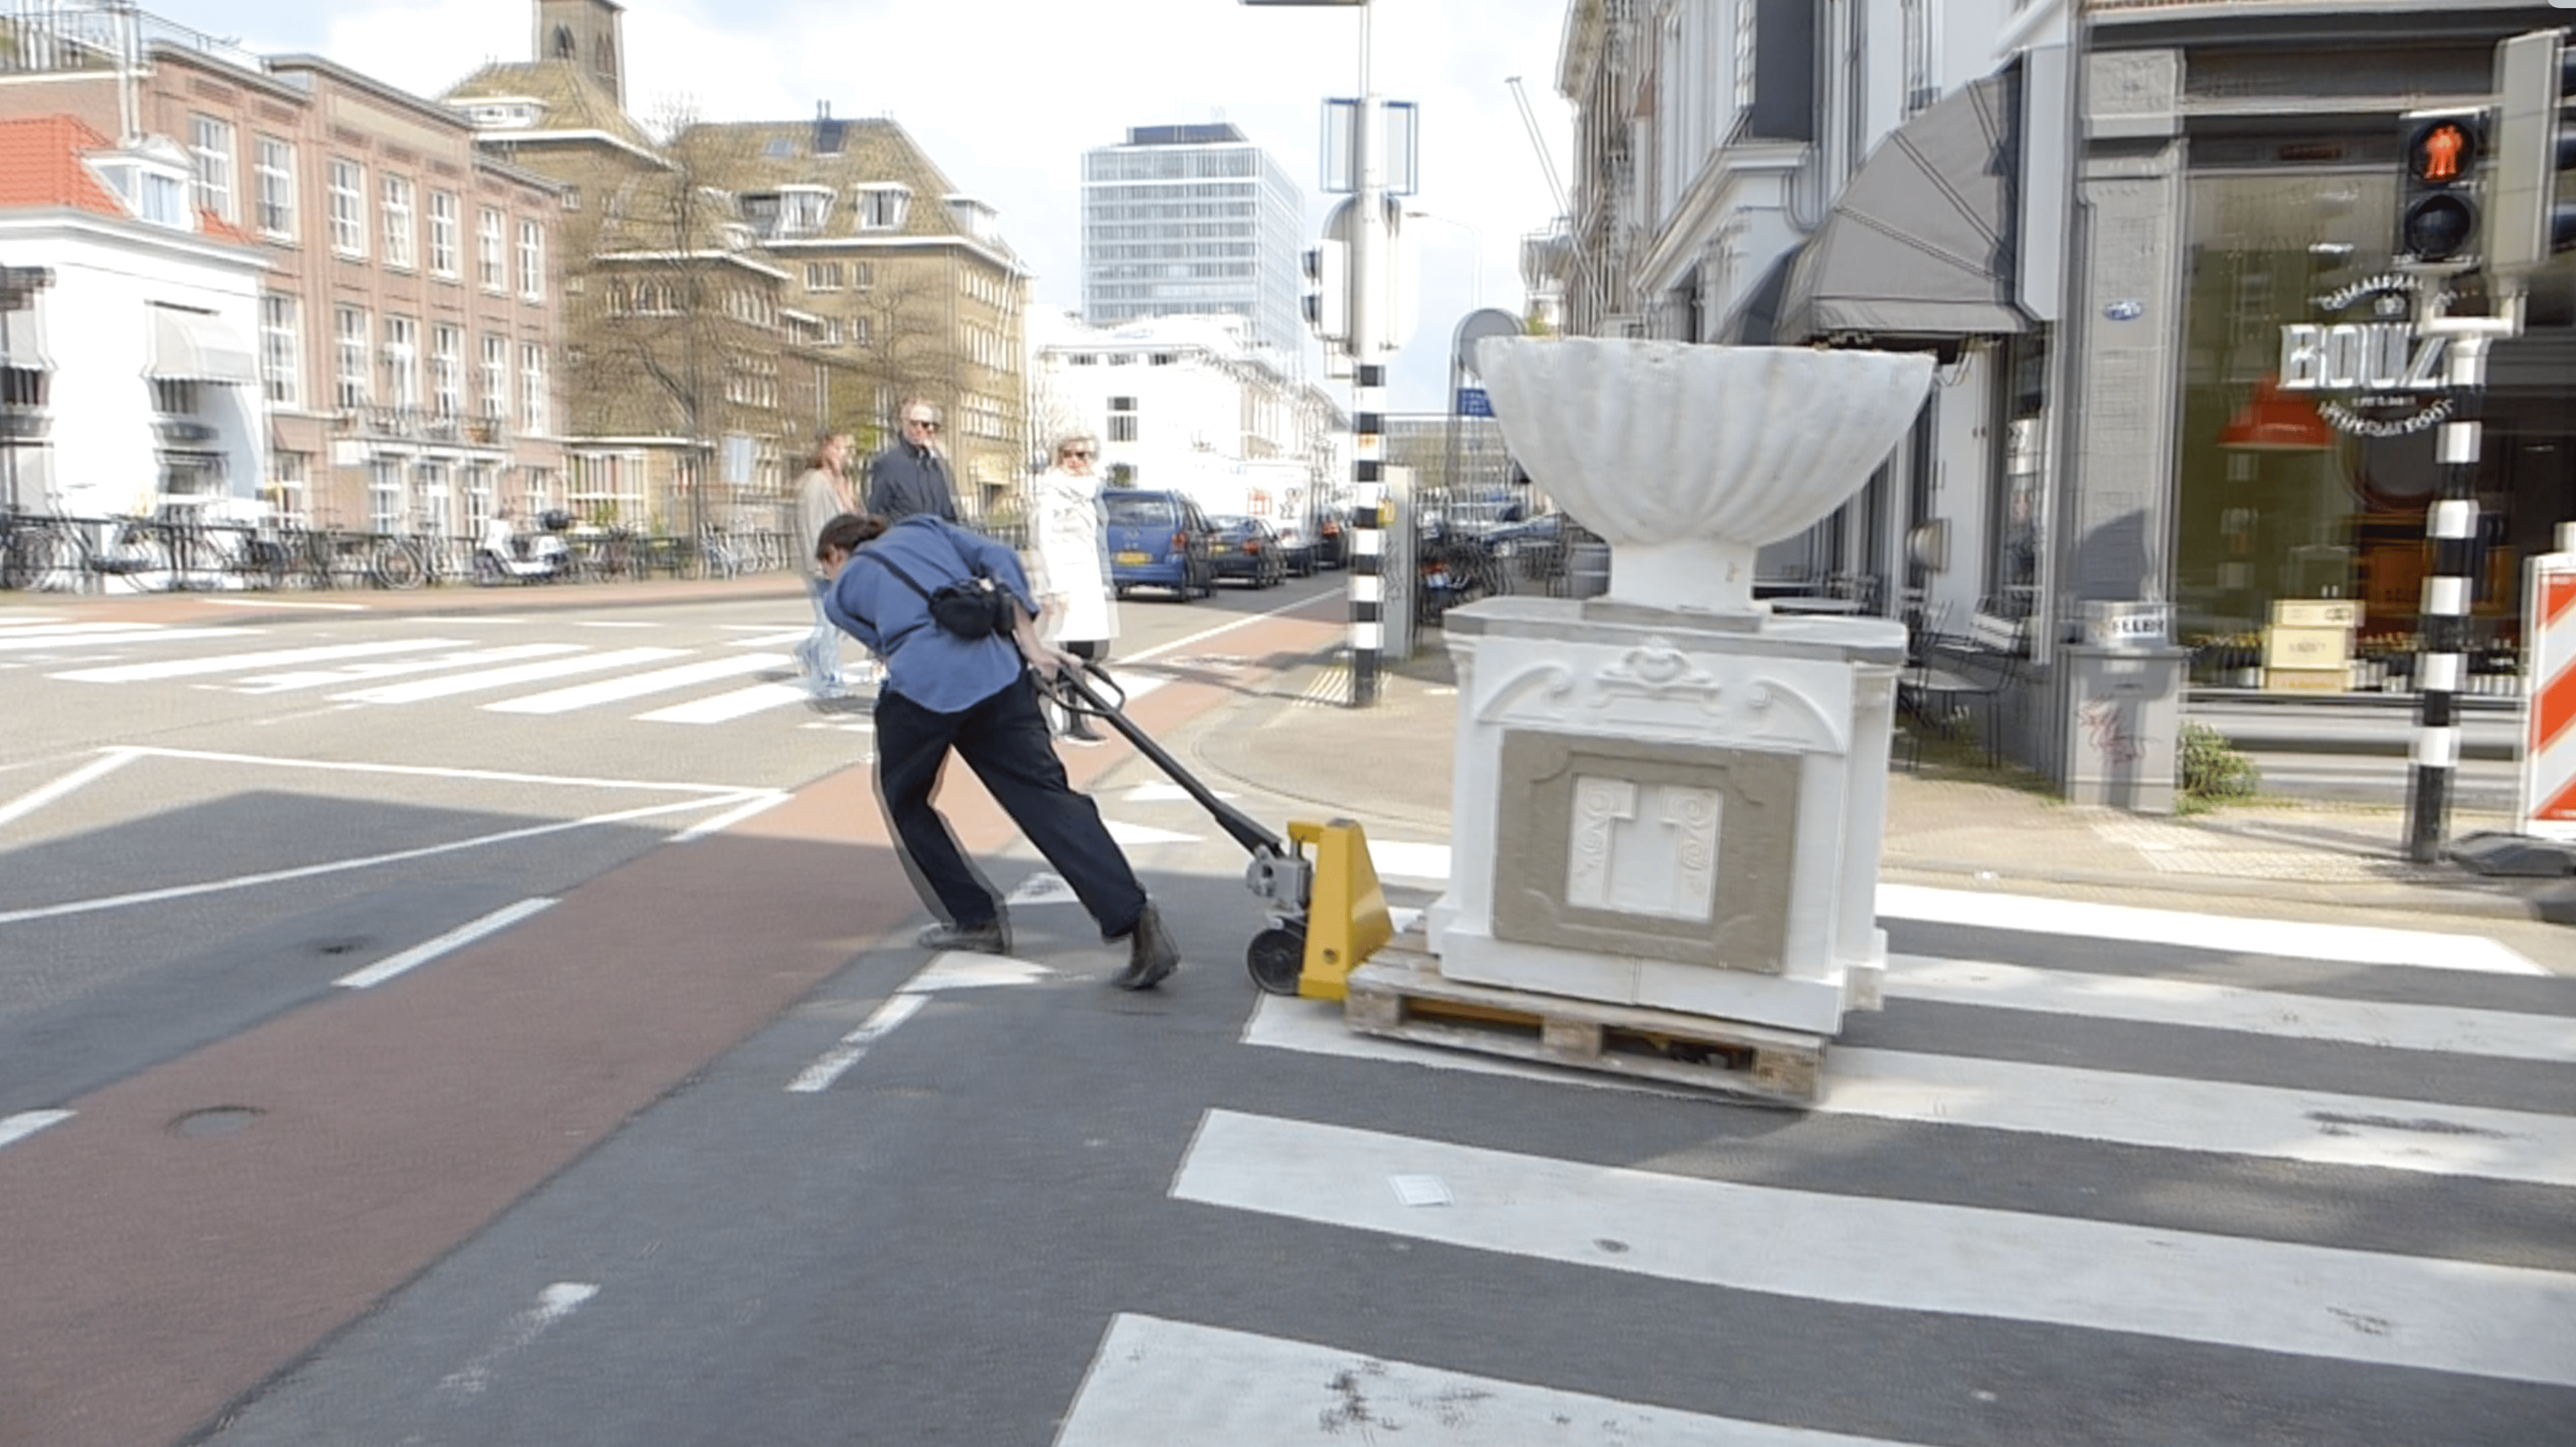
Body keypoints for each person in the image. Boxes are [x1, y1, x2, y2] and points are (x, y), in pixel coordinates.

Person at [816, 510, 1179, 989]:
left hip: (925, 693)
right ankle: (1136, 921)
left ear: (836, 554)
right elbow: (999, 556)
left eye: (827, 567)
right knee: (1046, 799)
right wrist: (1030, 640)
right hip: (998, 672)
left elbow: (886, 646)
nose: (829, 576)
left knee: (904, 798)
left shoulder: (840, 595)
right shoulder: (927, 528)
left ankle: (976, 920)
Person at [1025, 432, 1118, 744]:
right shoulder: (1052, 493)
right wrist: (1054, 588)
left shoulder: (1089, 491)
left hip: (1088, 581)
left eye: (1083, 455)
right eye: (1069, 455)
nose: (1076, 461)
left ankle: (1076, 718)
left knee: (1083, 653)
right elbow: (1044, 541)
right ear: (1057, 457)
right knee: (1056, 653)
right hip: (1064, 581)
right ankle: (1046, 718)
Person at [794, 432, 860, 697]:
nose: (844, 454)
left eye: (846, 449)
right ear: (824, 450)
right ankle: (828, 681)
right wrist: (822, 564)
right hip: (824, 564)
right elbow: (813, 527)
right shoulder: (815, 484)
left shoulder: (836, 483)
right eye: (839, 448)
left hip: (838, 562)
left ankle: (810, 652)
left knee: (839, 620)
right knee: (829, 622)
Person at [865, 398, 960, 524]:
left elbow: (948, 514)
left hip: (934, 540)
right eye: (916, 424)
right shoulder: (889, 463)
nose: (921, 430)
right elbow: (876, 513)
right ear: (905, 424)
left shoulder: (934, 466)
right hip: (904, 540)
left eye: (927, 425)